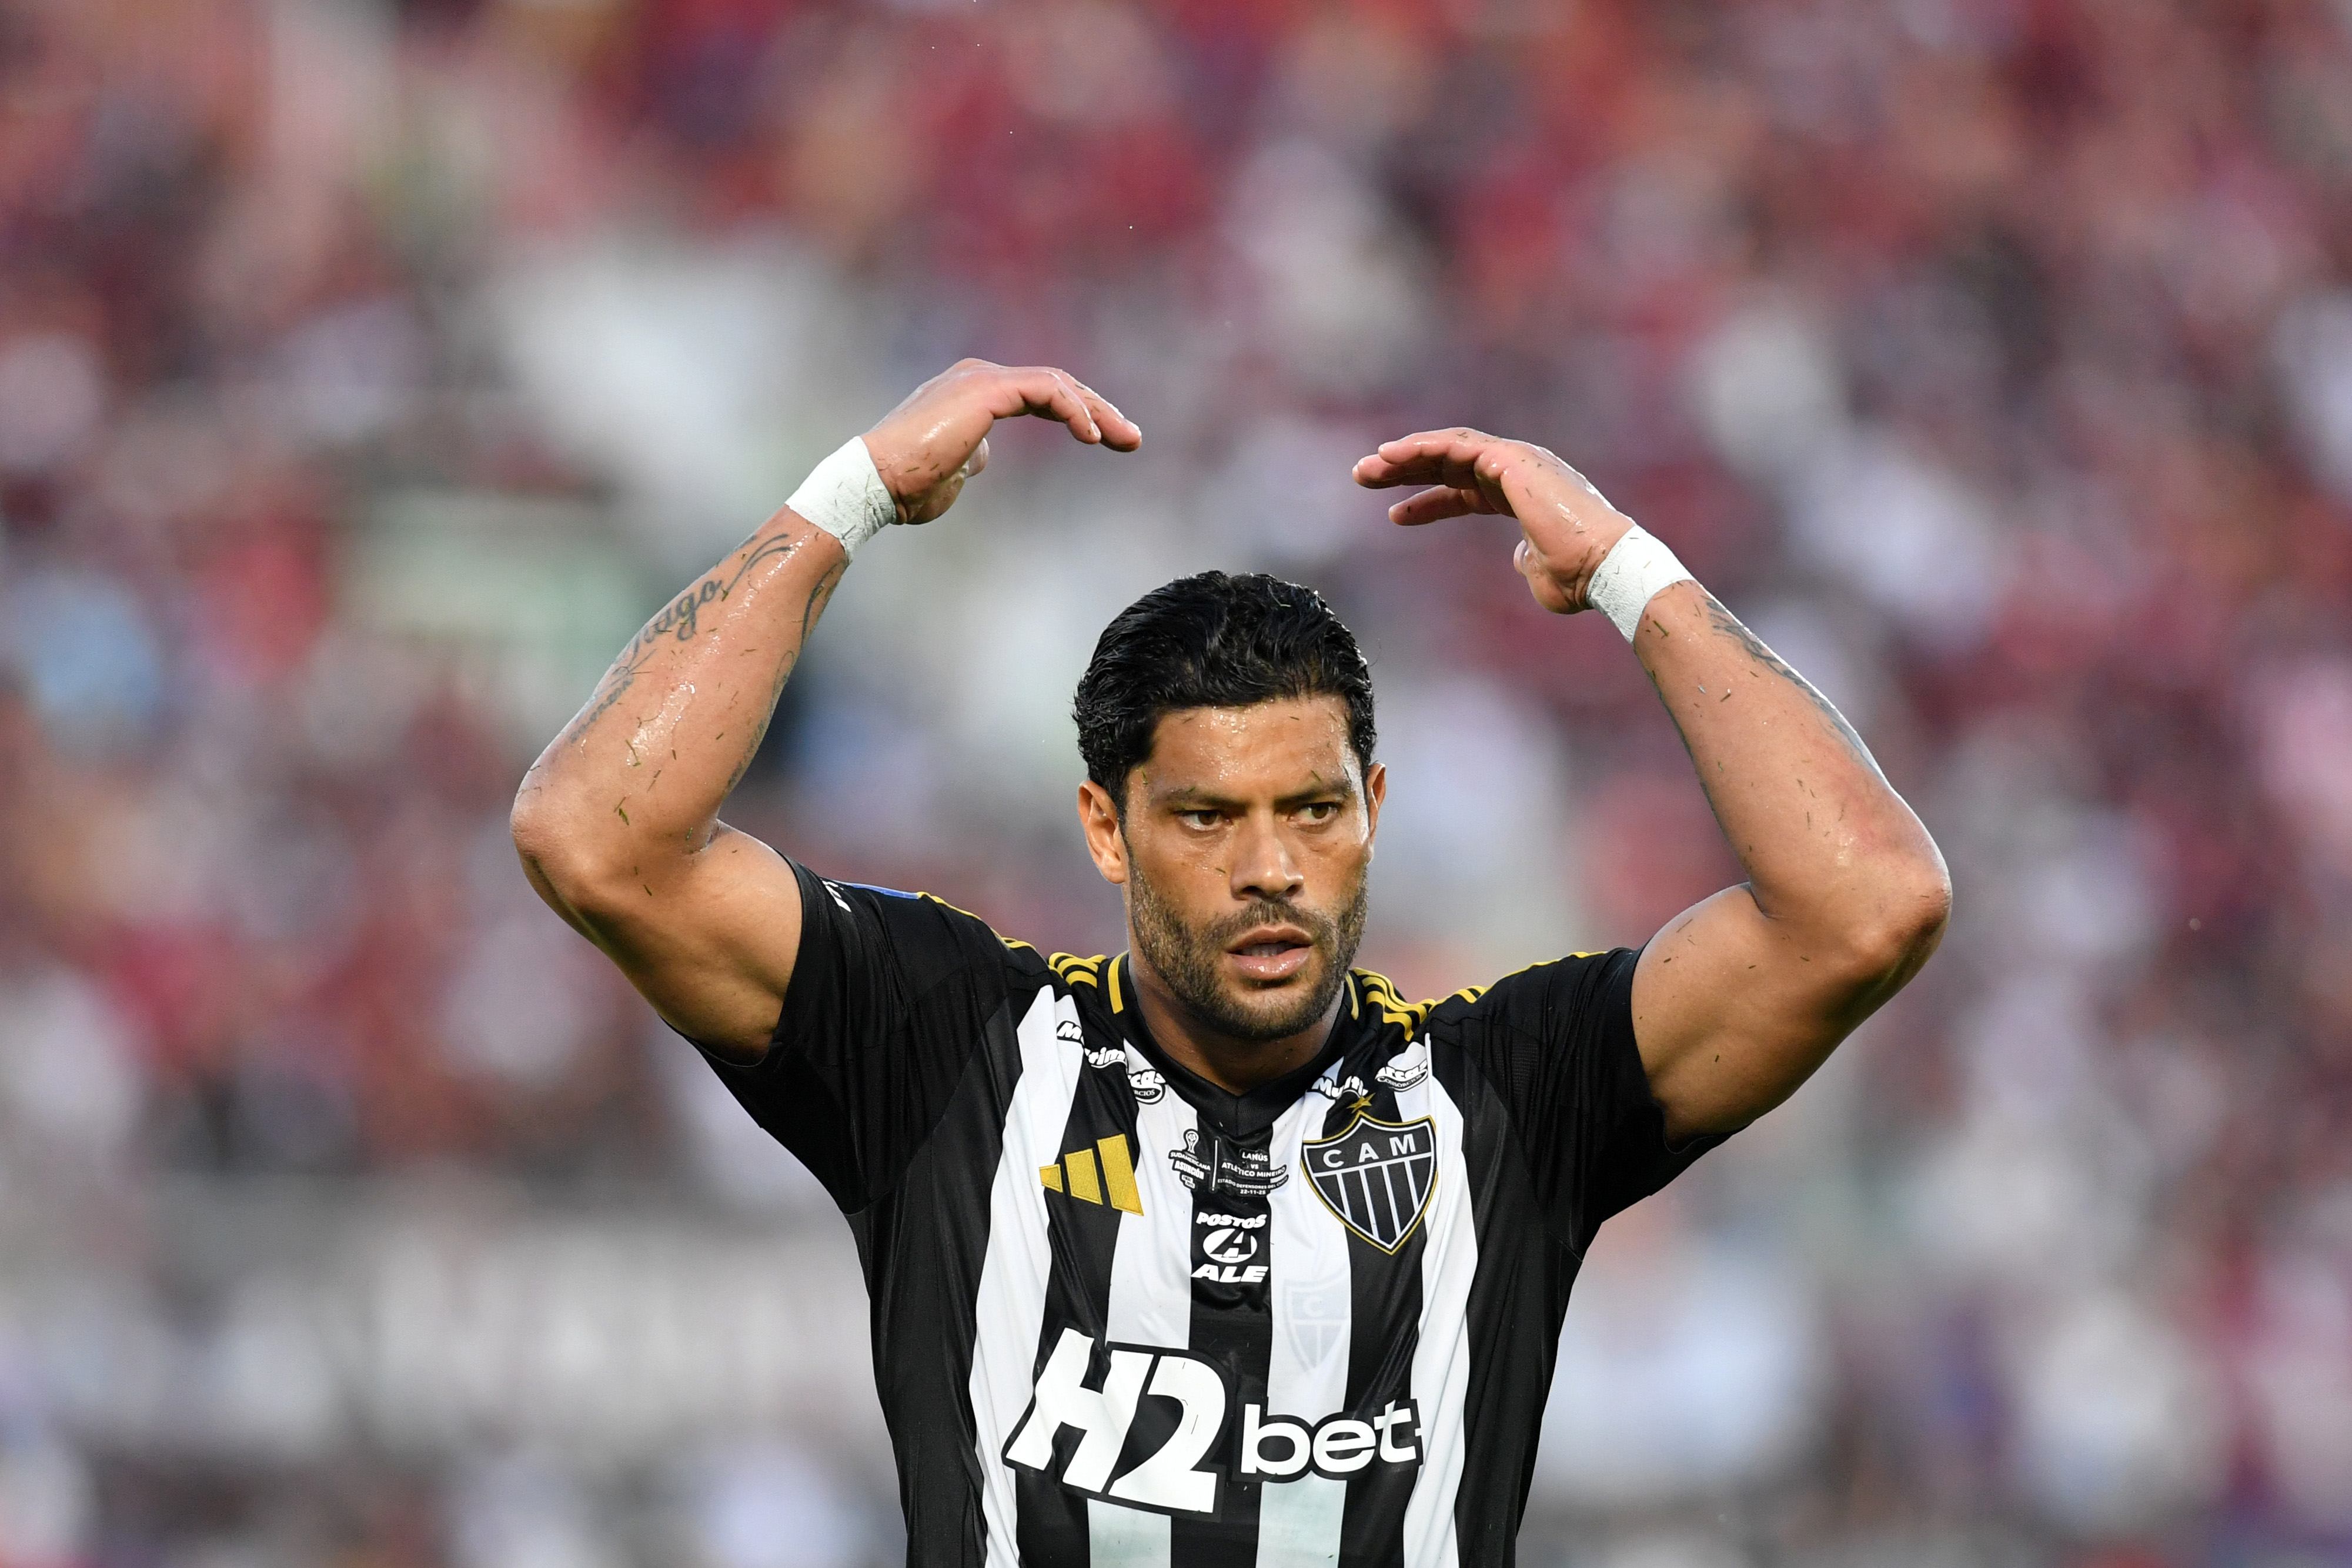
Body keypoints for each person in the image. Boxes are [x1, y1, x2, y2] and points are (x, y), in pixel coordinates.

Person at [510, 360, 1951, 1568]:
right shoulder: (951, 1049)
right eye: (1206, 816)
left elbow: (1864, 905)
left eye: (1311, 810)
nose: (1270, 866)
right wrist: (852, 493)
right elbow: (597, 837)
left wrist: (1632, 573)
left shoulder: (1506, 1096)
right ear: (1107, 828)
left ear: (1372, 813)